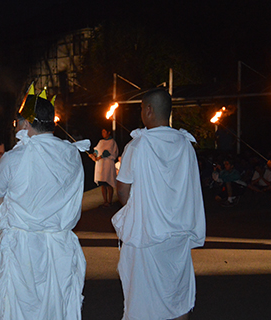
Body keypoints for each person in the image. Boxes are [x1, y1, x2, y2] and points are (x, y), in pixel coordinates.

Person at [0, 85, 90, 320]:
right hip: (59, 247)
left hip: (23, 249)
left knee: (22, 310)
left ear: (26, 124)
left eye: (19, 121)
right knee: (56, 310)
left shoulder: (14, 158)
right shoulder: (72, 154)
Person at [112, 88, 206, 320]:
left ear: (149, 110)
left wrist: (138, 206)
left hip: (147, 237)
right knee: (176, 297)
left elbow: (123, 191)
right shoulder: (185, 144)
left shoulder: (138, 145)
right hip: (178, 235)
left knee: (142, 301)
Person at [89, 128, 118, 207]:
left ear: (109, 132)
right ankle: (105, 201)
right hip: (101, 165)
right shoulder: (101, 141)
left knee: (108, 182)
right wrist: (93, 155)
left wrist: (99, 157)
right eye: (102, 132)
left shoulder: (112, 142)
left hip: (107, 164)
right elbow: (97, 150)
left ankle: (110, 201)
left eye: (104, 132)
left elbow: (107, 152)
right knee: (102, 183)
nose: (103, 133)